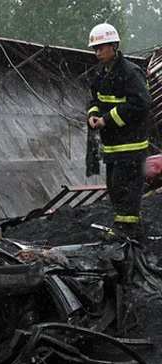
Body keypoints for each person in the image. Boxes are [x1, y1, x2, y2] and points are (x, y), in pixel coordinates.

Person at [86, 23, 151, 238]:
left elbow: (140, 104)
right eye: (95, 49)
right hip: (112, 146)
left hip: (131, 146)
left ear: (114, 46)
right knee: (114, 188)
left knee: (126, 190)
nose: (97, 53)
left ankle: (128, 231)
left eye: (101, 48)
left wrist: (107, 120)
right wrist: (92, 115)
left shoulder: (131, 73)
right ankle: (125, 230)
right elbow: (95, 99)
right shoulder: (100, 73)